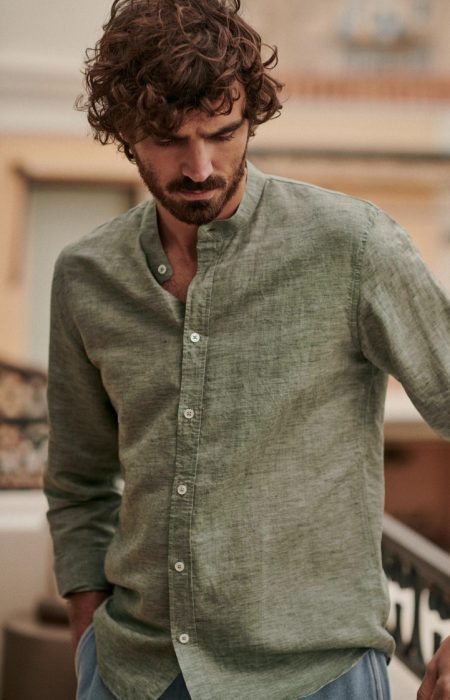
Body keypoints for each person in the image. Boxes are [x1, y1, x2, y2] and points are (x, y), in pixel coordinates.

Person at [44, 1, 450, 698]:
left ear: (252, 117)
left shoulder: (352, 247)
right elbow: (79, 480)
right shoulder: (86, 276)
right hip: (137, 674)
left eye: (222, 132)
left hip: (317, 676)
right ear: (125, 133)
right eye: (169, 140)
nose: (200, 166)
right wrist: (88, 632)